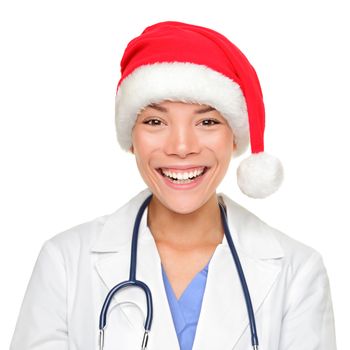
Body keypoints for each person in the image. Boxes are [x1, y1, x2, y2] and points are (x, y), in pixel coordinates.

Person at [10, 21, 337, 350]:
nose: (182, 147)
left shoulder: (298, 272)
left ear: (234, 136)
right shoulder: (65, 263)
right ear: (131, 139)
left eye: (207, 121)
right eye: (155, 121)